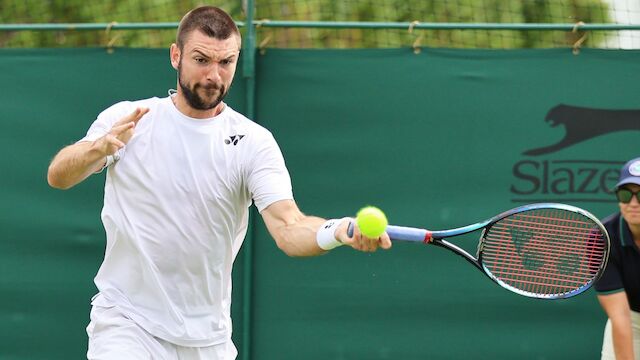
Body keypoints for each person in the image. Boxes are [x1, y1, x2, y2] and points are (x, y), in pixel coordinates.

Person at [46, 6, 391, 360]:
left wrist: (338, 231)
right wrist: (95, 150)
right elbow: (58, 175)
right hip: (126, 323)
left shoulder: (253, 142)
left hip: (208, 339)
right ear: (175, 55)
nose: (214, 75)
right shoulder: (128, 121)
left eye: (225, 63)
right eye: (201, 60)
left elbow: (290, 227)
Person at [595, 157, 640, 360]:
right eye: (625, 194)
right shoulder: (602, 239)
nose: (633, 203)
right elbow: (619, 316)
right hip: (631, 320)